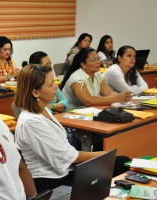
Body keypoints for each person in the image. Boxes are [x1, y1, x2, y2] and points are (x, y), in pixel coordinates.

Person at [14, 64, 106, 192]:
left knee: (119, 164)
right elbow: (66, 157)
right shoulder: (31, 122)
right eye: (51, 84)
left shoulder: (44, 109)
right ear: (36, 92)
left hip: (64, 172)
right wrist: (103, 156)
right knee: (114, 167)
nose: (56, 87)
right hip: (50, 181)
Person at [60, 48, 132, 109]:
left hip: (88, 111)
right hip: (71, 113)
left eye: (98, 58)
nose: (98, 62)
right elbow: (88, 101)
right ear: (83, 65)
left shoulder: (97, 74)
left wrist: (123, 96)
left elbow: (109, 93)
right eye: (94, 60)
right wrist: (116, 98)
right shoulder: (77, 77)